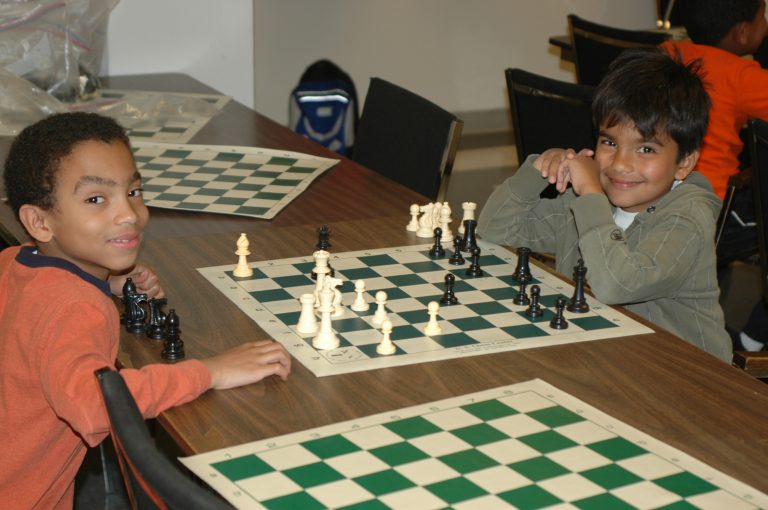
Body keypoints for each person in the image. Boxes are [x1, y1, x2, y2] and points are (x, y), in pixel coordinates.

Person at [0, 112, 292, 509]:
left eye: (133, 191)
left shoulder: (14, 263)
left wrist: (106, 281)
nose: (129, 214)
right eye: (96, 199)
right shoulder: (77, 308)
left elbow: (38, 314)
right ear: (38, 221)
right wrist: (212, 372)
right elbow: (95, 406)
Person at [478, 47, 732, 363]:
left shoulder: (686, 219)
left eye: (646, 149)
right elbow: (494, 230)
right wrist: (537, 170)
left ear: (684, 163)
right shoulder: (588, 202)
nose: (621, 164)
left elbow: (616, 284)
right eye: (610, 142)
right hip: (605, 355)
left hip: (686, 374)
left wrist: (591, 195)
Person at [660, 0, 768, 351]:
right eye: (763, 17)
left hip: (655, 201)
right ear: (742, 33)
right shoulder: (742, 76)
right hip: (715, 215)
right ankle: (754, 339)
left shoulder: (665, 53)